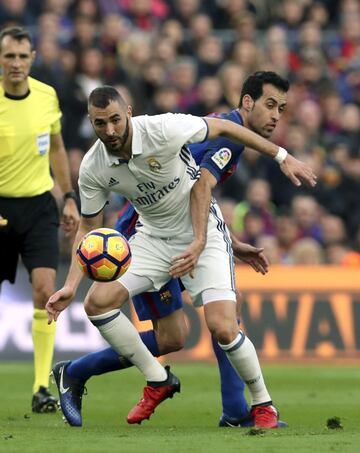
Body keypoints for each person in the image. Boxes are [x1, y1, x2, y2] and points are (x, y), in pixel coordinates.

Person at [46, 84, 316, 427]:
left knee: (223, 326)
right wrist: (71, 284)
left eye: (115, 120)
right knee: (98, 303)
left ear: (128, 113)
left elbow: (226, 129)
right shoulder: (93, 166)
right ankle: (158, 379)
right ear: (91, 122)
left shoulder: (162, 128)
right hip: (152, 238)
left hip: (202, 235)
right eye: (101, 124)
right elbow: (88, 229)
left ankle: (263, 405)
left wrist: (283, 157)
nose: (110, 130)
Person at [0, 26, 80, 413]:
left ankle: (40, 387)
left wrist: (67, 197)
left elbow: (59, 147)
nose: (15, 63)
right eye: (8, 56)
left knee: (45, 289)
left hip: (38, 207)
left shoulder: (47, 95)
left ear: (32, 57)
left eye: (21, 56)